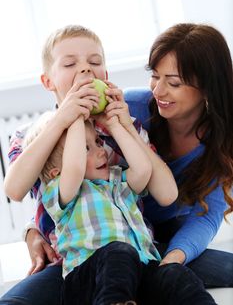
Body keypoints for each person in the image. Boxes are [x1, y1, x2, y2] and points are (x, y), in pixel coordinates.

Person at [0, 22, 229, 304]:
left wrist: (122, 126)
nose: (85, 69)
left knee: (192, 275)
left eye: (94, 62)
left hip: (144, 245)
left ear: (105, 74)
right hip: (80, 259)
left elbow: (166, 193)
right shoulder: (34, 136)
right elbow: (22, 187)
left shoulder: (120, 124)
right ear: (48, 81)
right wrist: (32, 229)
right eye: (70, 63)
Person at [8, 97, 216, 305]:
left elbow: (143, 170)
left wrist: (115, 125)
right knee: (119, 250)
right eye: (85, 148)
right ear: (56, 172)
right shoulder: (61, 191)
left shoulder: (117, 180)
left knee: (175, 274)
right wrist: (75, 118)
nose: (100, 151)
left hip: (139, 269)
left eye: (97, 142)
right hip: (88, 276)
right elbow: (75, 168)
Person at [123, 23, 233, 287]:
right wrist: (34, 229)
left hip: (164, 235)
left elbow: (206, 215)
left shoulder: (223, 140)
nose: (158, 91)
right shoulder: (131, 108)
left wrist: (173, 259)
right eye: (155, 76)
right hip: (115, 234)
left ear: (207, 88)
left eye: (173, 82)